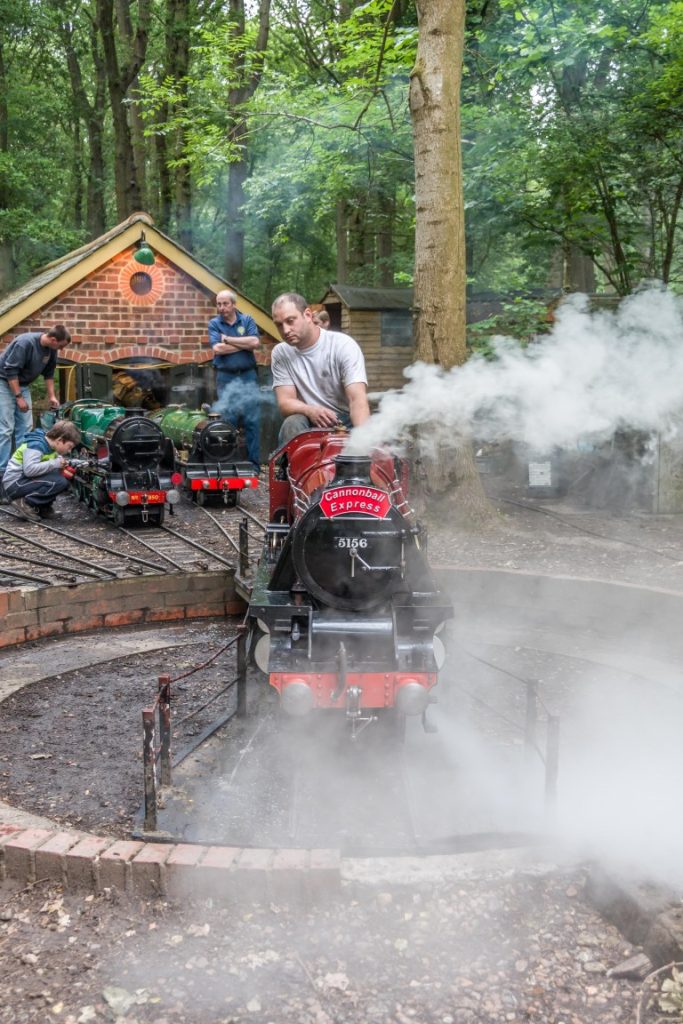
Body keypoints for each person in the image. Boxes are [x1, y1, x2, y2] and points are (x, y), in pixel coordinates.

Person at [270, 293, 370, 446]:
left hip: (344, 419)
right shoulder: (281, 353)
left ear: (308, 315)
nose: (285, 330)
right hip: (307, 419)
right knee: (292, 422)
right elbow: (285, 402)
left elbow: (357, 399)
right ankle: (291, 469)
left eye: (290, 321)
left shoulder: (342, 345)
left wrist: (365, 443)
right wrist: (311, 410)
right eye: (279, 324)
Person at [0, 325, 72, 495]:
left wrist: (52, 396)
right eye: (61, 345)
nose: (61, 349)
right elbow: (10, 371)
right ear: (54, 340)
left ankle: (25, 469)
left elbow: (49, 373)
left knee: (25, 429)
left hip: (23, 385)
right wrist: (18, 397)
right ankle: (3, 475)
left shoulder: (51, 350)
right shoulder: (25, 343)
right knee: (6, 429)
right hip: (4, 382)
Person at [208, 290, 261, 471]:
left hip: (248, 375)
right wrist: (242, 344)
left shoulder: (247, 320)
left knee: (251, 421)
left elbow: (255, 343)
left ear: (233, 304)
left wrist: (229, 340)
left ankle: (254, 465)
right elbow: (218, 349)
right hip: (226, 377)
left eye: (225, 304)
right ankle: (227, 464)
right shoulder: (214, 324)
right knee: (228, 421)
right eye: (219, 304)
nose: (221, 308)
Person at [2, 420, 81, 521]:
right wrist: (55, 463)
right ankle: (24, 502)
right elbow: (30, 470)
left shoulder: (50, 445)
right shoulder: (36, 445)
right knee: (59, 481)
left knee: (61, 477)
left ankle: (42, 508)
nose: (69, 451)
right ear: (59, 440)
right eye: (69, 447)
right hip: (15, 484)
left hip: (23, 481)